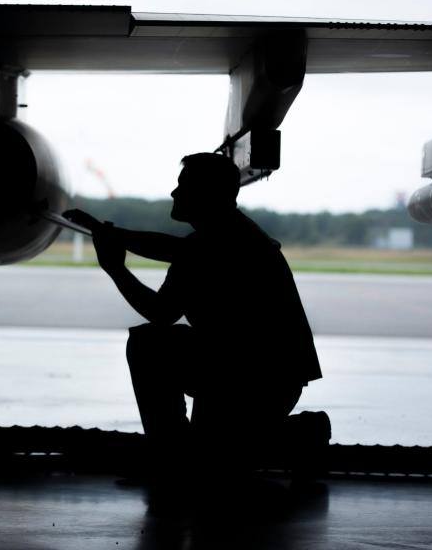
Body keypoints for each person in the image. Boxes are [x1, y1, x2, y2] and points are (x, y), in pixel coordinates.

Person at [64, 153, 321, 476]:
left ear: (206, 195)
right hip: (267, 380)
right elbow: (171, 248)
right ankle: (291, 433)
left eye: (183, 187)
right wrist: (111, 233)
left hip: (243, 381)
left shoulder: (204, 248)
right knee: (217, 453)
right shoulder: (233, 232)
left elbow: (161, 313)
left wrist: (115, 269)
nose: (175, 193)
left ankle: (172, 456)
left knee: (149, 345)